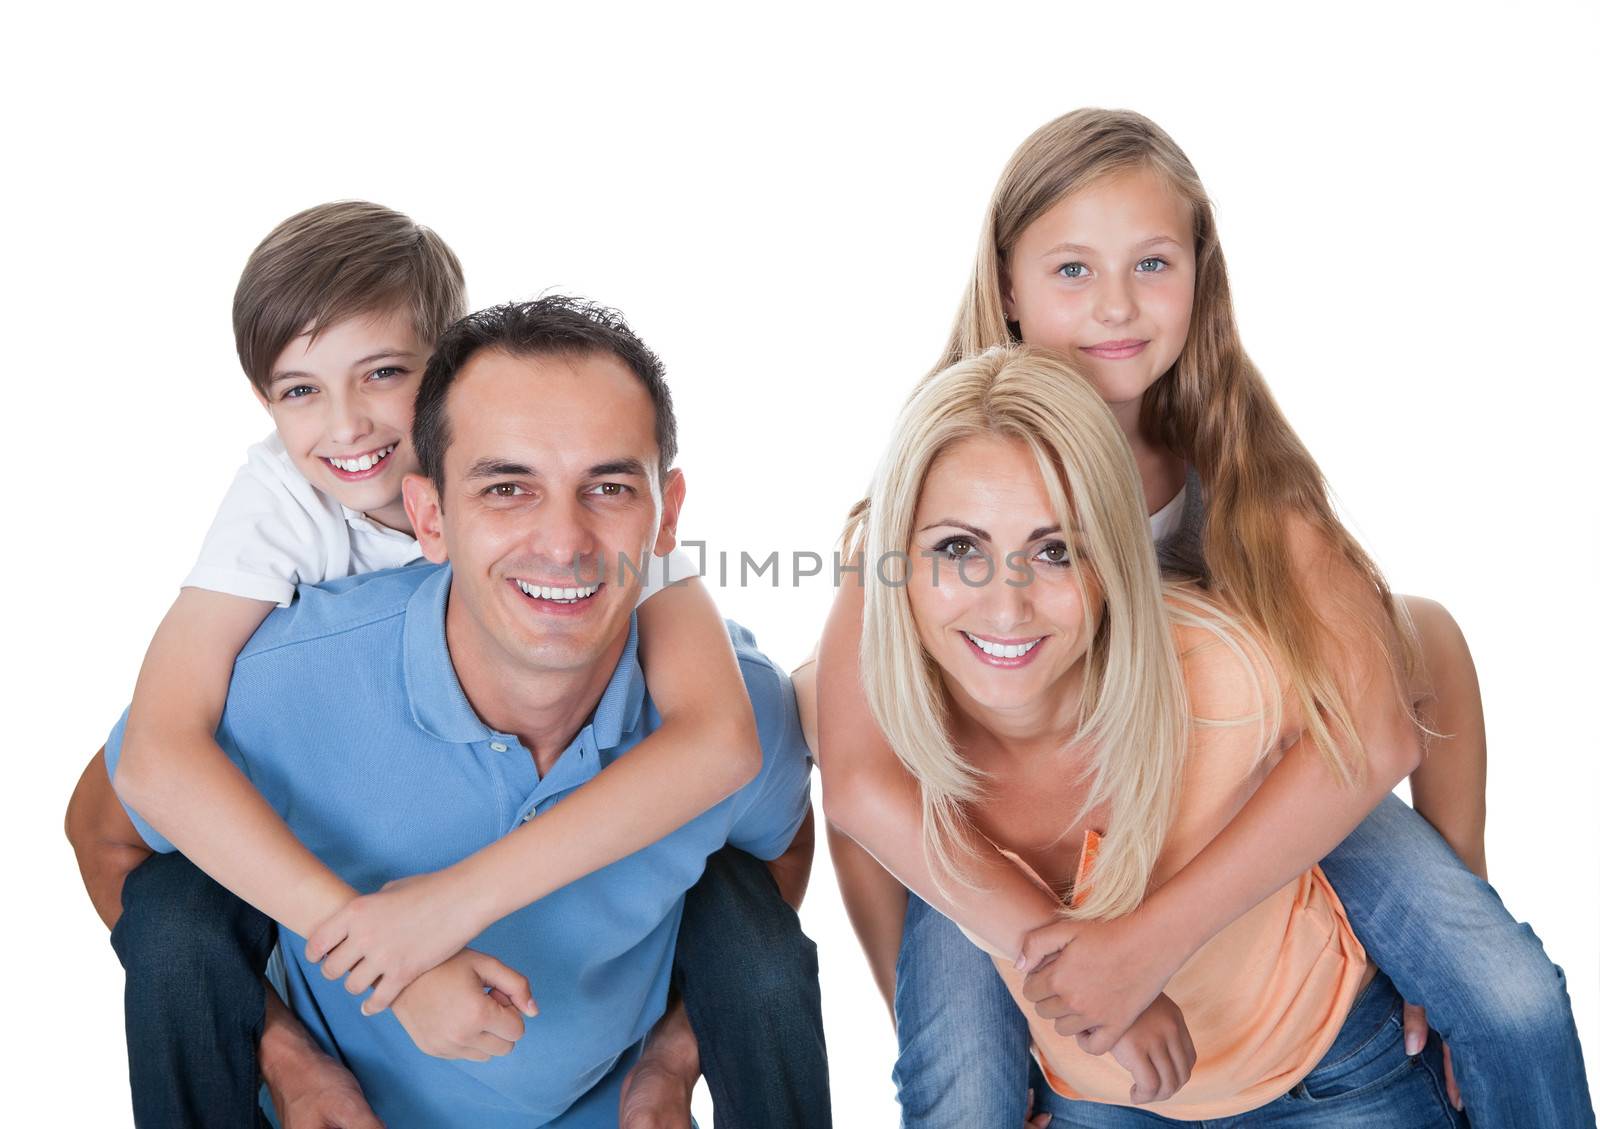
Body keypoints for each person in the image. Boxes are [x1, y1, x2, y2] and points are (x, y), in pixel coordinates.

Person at [812, 109, 1591, 1127]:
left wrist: (1450, 901)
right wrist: (1023, 967)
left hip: (1245, 793)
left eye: (1150, 264)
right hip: (1021, 830)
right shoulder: (947, 470)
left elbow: (1411, 661)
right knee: (961, 1081)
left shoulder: (1242, 474)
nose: (1115, 309)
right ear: (1005, 282)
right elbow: (862, 778)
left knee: (1510, 998)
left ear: (1199, 273)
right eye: (1071, 271)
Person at [67, 295, 824, 1127]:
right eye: (507, 487)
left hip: (613, 1109)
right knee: (179, 907)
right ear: (429, 515)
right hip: (350, 1112)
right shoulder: (287, 679)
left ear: (666, 514)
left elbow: (778, 845)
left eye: (607, 487)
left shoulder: (733, 703)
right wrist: (289, 1060)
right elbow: (110, 833)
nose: (563, 541)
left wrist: (676, 1059)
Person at [857, 342, 1468, 1122]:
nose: (1006, 608)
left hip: (1326, 1071)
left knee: (1510, 1002)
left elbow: (1429, 649)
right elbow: (874, 853)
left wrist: (1448, 926)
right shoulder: (882, 731)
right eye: (957, 548)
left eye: (1054, 550)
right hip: (1100, 1101)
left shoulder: (1221, 674)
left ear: (1114, 558)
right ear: (895, 562)